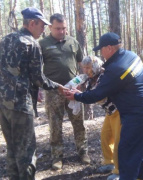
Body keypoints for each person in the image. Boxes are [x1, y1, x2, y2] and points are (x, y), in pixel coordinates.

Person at [63, 32, 143, 180]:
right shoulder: (130, 56)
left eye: (101, 49)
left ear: (109, 48)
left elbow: (97, 95)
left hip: (136, 115)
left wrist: (76, 96)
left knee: (127, 154)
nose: (101, 53)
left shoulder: (116, 68)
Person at [0, 7, 66, 180]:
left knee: (12, 149)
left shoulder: (5, 40)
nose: (43, 29)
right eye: (41, 25)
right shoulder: (30, 43)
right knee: (27, 152)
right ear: (31, 23)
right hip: (21, 105)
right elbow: (39, 78)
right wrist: (58, 86)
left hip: (4, 105)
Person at [39, 13, 90, 170]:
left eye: (64, 28)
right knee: (55, 125)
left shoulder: (73, 42)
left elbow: (82, 63)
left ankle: (83, 151)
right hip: (53, 91)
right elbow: (36, 69)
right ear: (50, 27)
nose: (62, 31)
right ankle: (57, 156)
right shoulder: (43, 44)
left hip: (73, 89)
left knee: (78, 122)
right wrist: (38, 88)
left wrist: (84, 82)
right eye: (58, 28)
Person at [81, 56, 121, 180]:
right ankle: (109, 162)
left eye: (88, 67)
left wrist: (79, 96)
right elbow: (90, 94)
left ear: (95, 66)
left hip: (119, 111)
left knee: (119, 141)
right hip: (109, 112)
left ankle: (120, 171)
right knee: (105, 136)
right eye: (84, 68)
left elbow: (98, 96)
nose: (86, 70)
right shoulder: (91, 79)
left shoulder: (104, 77)